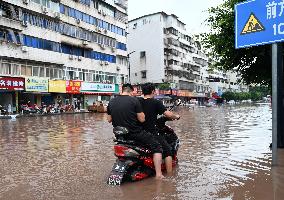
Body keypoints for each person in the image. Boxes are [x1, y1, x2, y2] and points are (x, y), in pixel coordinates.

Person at [107, 83, 165, 179]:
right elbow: (142, 119)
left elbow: (109, 119)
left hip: (119, 135)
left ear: (122, 90)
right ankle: (159, 175)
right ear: (131, 91)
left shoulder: (112, 101)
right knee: (157, 146)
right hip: (134, 133)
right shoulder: (134, 101)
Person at [139, 83, 180, 175]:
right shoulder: (156, 102)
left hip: (139, 133)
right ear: (153, 91)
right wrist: (176, 116)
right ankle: (170, 175)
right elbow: (168, 114)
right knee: (168, 151)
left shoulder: (137, 101)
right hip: (151, 132)